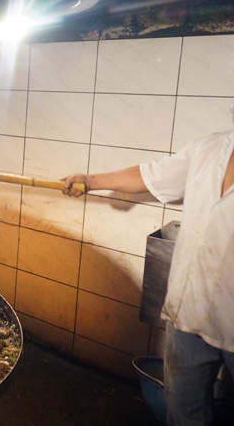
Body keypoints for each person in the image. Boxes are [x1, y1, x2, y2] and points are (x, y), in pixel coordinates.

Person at [62, 118, 234, 426]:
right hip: (188, 315)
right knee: (184, 415)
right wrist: (89, 179)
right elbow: (149, 175)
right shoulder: (209, 148)